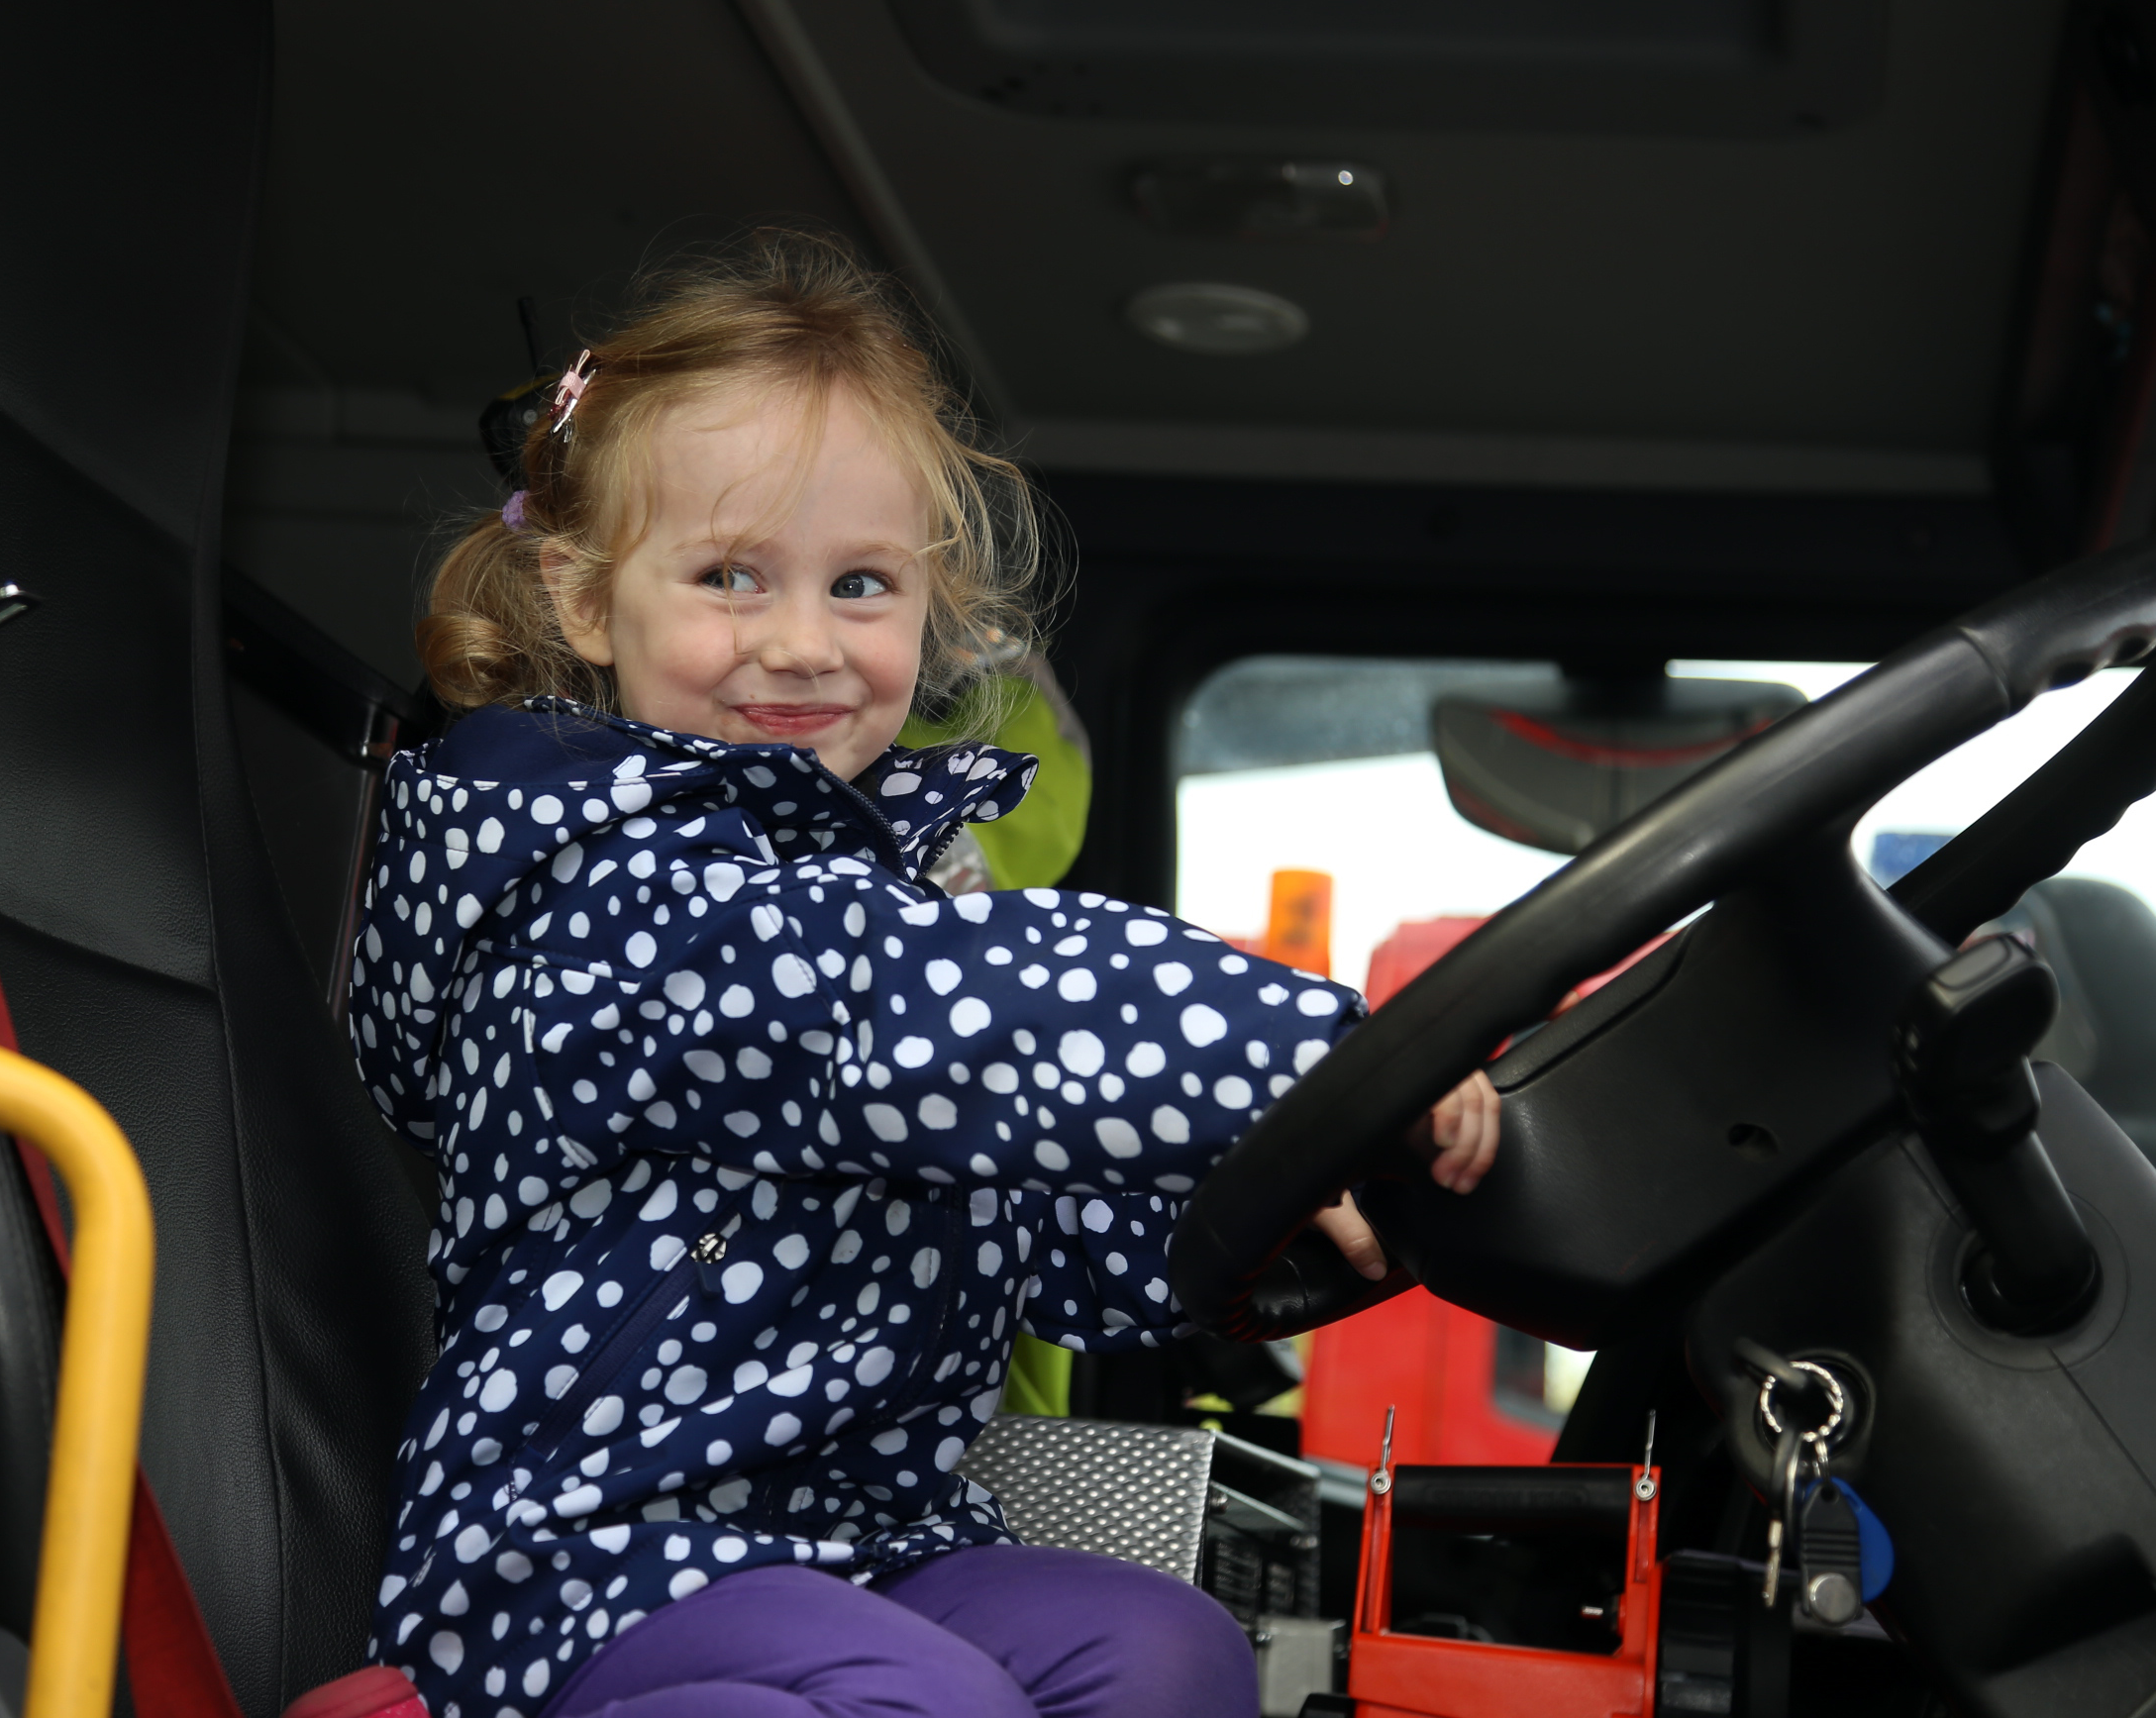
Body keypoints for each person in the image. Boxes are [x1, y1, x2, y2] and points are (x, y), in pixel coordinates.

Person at [348, 232, 1500, 1718]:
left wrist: (1273, 1210)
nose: (802, 641)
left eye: (864, 585)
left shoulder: (870, 896)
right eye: (728, 575)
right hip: (573, 1564)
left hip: (860, 1543)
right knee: (925, 1700)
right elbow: (923, 1018)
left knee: (1168, 1650)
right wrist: (1320, 1056)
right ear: (584, 602)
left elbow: (1027, 1237)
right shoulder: (622, 892)